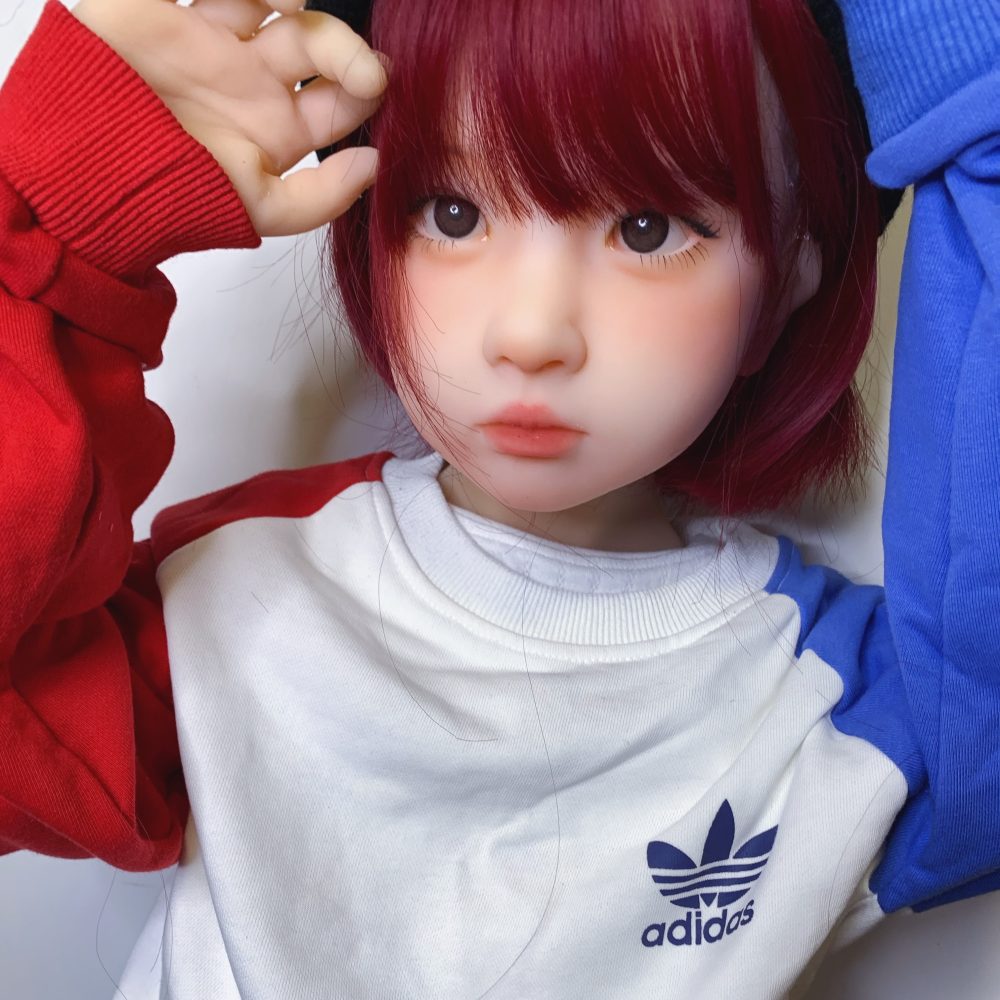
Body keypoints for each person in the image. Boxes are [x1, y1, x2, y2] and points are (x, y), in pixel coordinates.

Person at [0, 0, 996, 997]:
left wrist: (969, 85)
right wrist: (56, 216)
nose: (529, 333)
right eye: (452, 214)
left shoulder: (831, 705)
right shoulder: (244, 589)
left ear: (786, 277)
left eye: (645, 228)